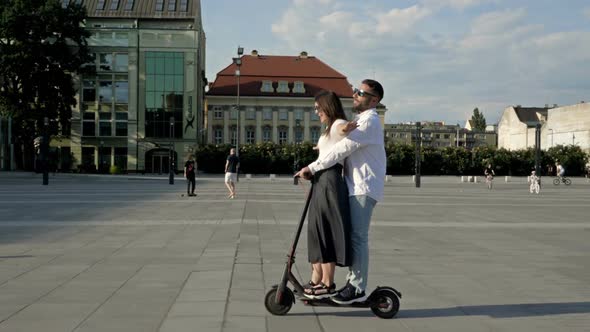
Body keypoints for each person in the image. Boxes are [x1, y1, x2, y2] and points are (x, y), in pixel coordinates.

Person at [295, 79, 386, 304]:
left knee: (358, 237)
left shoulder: (370, 121)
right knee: (354, 236)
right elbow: (339, 139)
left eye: (361, 93)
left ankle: (356, 287)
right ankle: (350, 283)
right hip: (355, 185)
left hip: (363, 185)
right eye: (355, 90)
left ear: (374, 100)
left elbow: (343, 148)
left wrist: (311, 167)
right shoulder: (359, 120)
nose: (355, 94)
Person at [300, 90, 354, 299]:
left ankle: (328, 283)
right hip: (321, 179)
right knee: (316, 228)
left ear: (327, 106)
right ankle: (317, 278)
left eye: (318, 108)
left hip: (330, 181)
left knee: (325, 229)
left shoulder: (337, 123)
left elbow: (343, 128)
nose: (316, 112)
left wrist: (346, 127)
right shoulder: (327, 130)